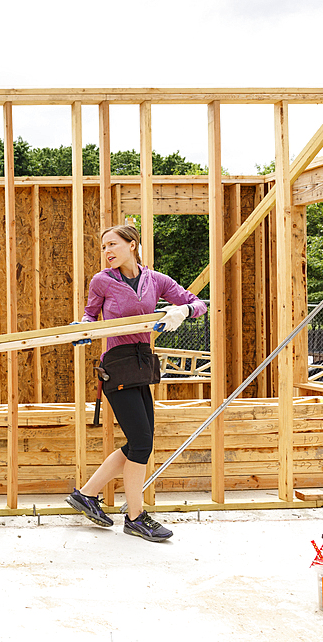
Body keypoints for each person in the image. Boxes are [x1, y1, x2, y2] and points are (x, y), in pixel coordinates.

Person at [66, 224, 206, 542]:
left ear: (133, 245)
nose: (107, 251)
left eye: (112, 244)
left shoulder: (156, 280)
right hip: (116, 364)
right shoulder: (102, 281)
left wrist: (182, 310)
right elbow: (90, 316)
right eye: (103, 246)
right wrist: (82, 329)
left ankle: (86, 495)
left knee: (138, 444)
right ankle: (136, 517)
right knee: (141, 443)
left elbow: (199, 304)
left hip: (143, 363)